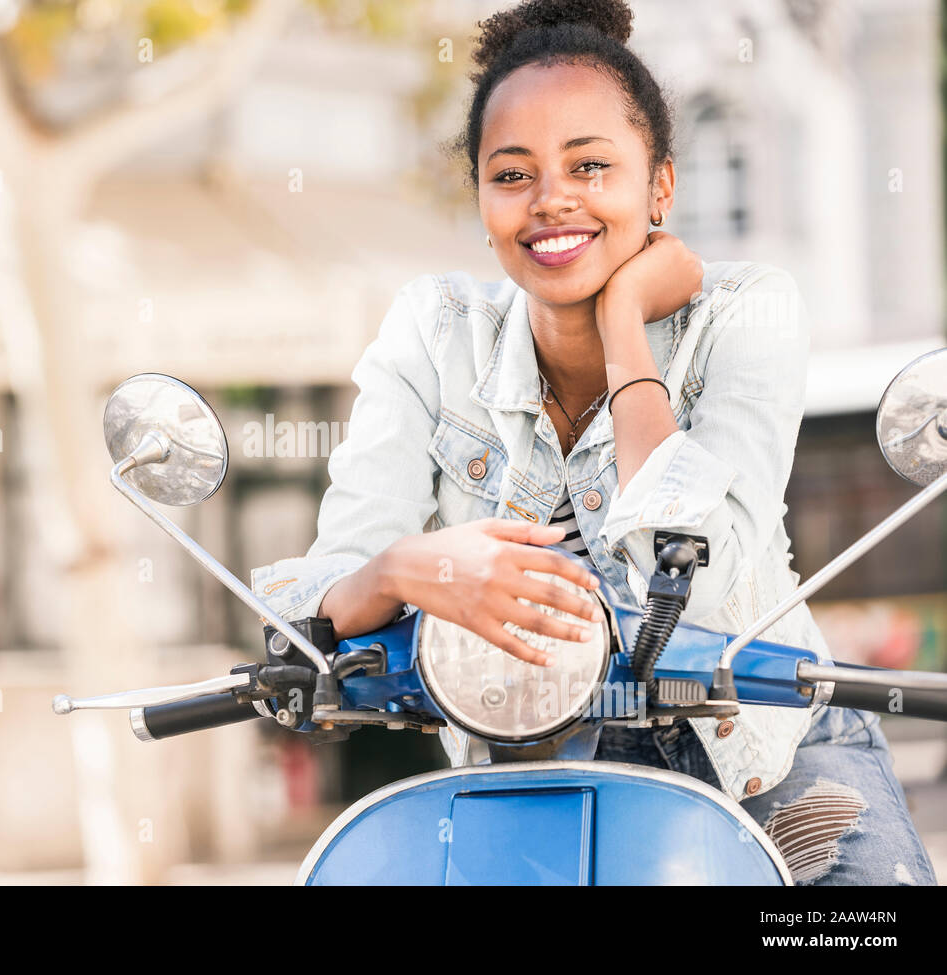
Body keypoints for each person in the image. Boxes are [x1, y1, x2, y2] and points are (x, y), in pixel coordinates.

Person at [249, 0, 936, 885]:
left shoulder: (746, 310)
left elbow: (699, 569)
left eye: (591, 166)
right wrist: (400, 570)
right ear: (483, 199)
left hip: (767, 750)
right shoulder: (429, 330)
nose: (551, 201)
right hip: (523, 774)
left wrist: (623, 328)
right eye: (513, 174)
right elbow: (314, 602)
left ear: (661, 188)